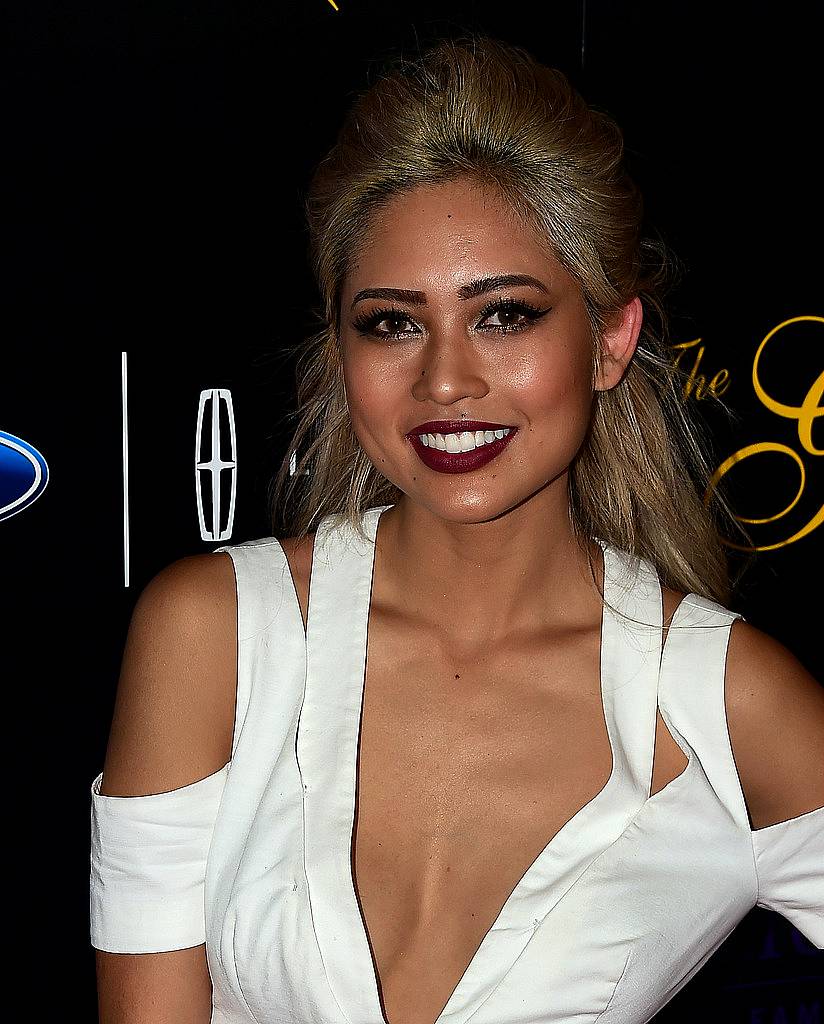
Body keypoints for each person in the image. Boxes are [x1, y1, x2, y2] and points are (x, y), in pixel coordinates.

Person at [90, 35, 824, 1024]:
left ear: (609, 338)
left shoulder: (726, 706)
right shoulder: (212, 636)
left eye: (504, 315)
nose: (443, 382)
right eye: (391, 322)